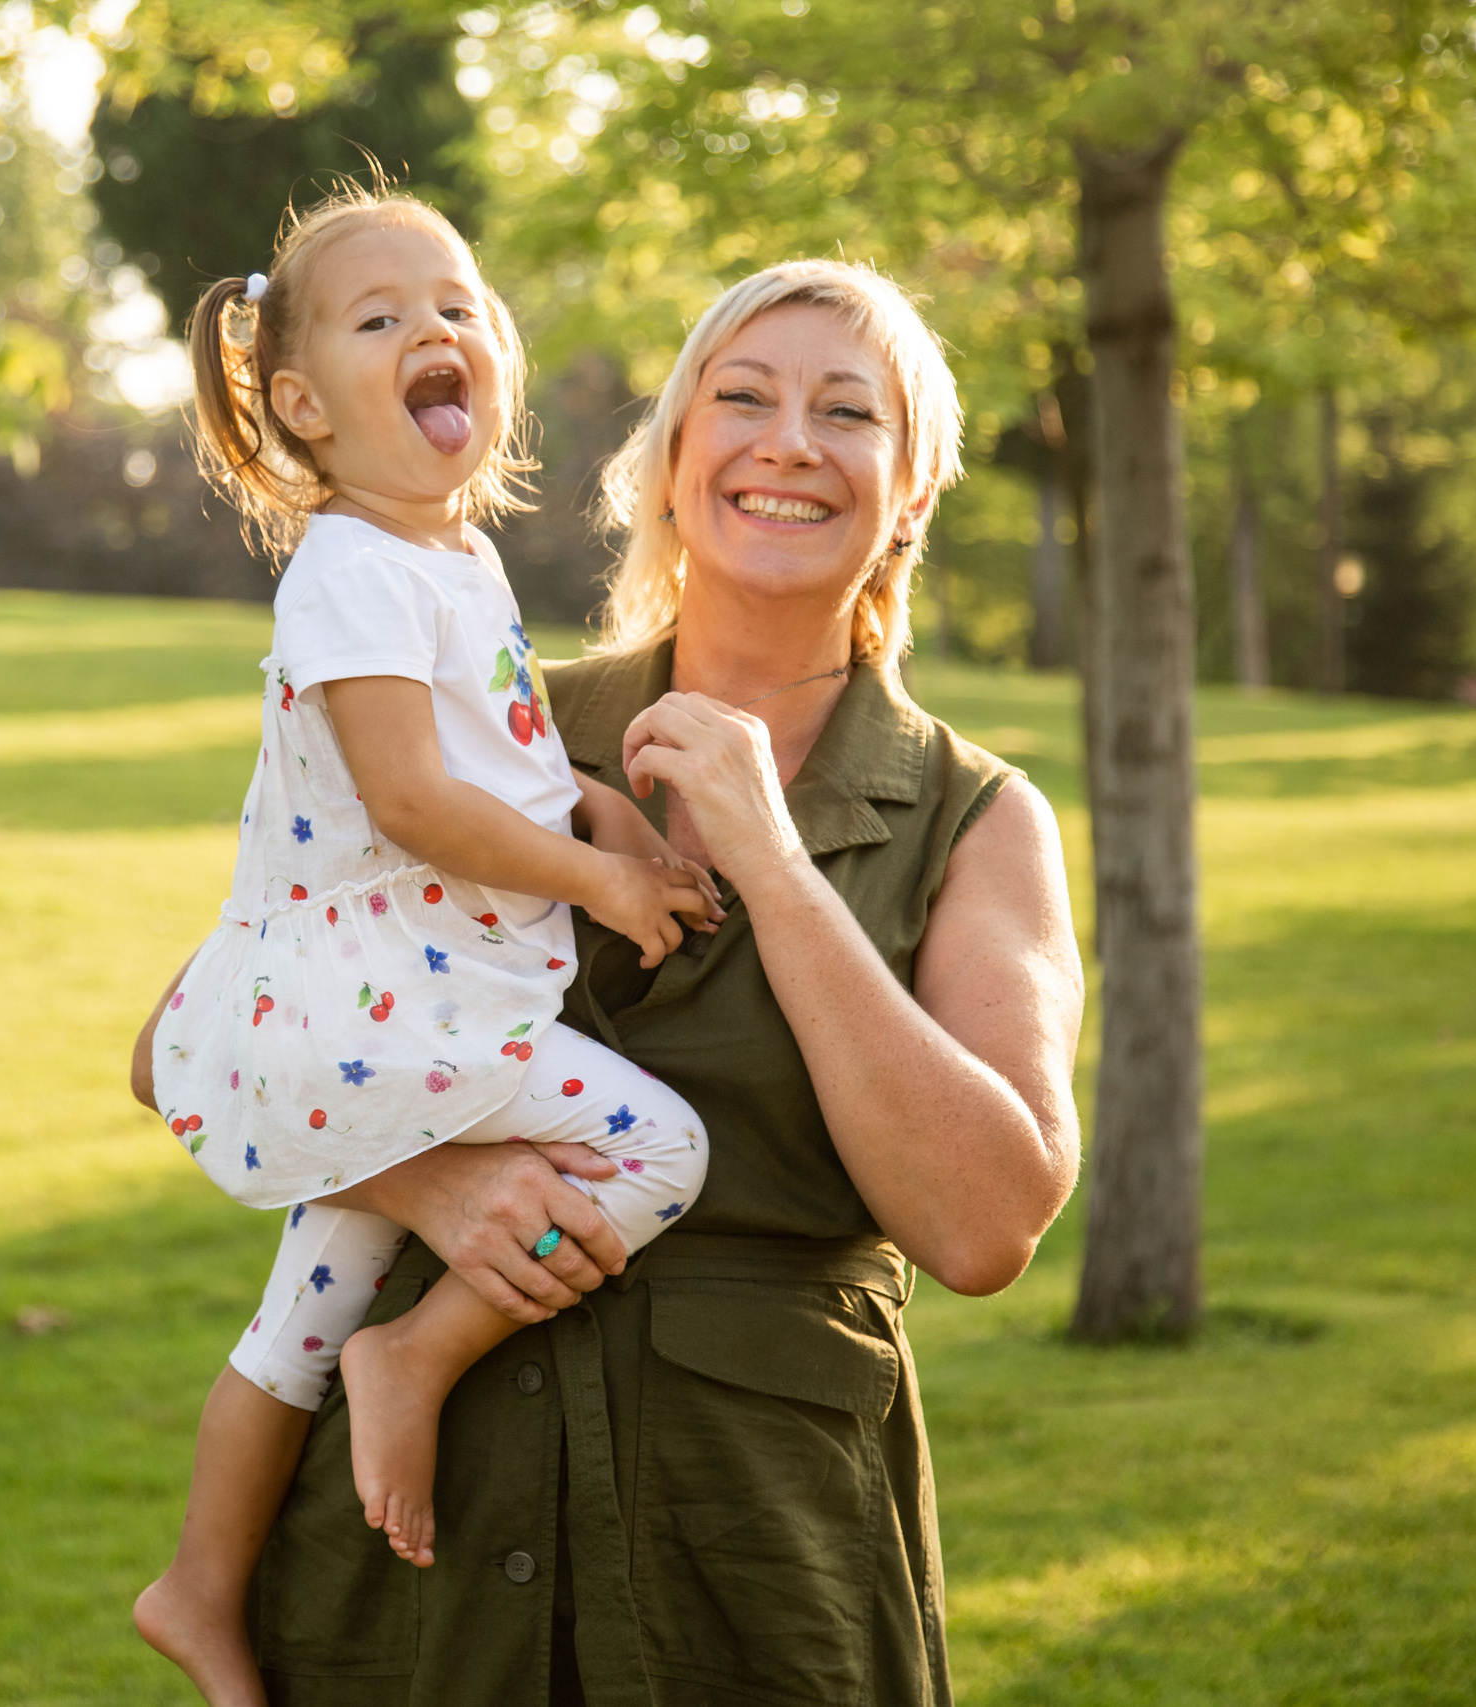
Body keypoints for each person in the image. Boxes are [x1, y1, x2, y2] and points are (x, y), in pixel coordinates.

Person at [217, 260, 1088, 1705]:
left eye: (848, 413)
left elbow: (987, 1221)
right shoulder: (486, 727)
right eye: (739, 399)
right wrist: (433, 1184)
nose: (789, 441)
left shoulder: (975, 818)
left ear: (915, 489)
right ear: (670, 468)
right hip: (422, 1565)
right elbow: (207, 1039)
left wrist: (771, 859)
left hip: (758, 1574)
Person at [129, 188, 726, 1707]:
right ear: (303, 409)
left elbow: (512, 766)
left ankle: (198, 1588)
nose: (433, 333)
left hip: (399, 1010)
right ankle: (426, 1356)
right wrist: (605, 891)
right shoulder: (354, 573)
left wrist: (610, 822)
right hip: (400, 1012)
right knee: (660, 1154)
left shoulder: (443, 562)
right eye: (382, 319)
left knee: (297, 1320)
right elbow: (412, 797)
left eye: (456, 307)